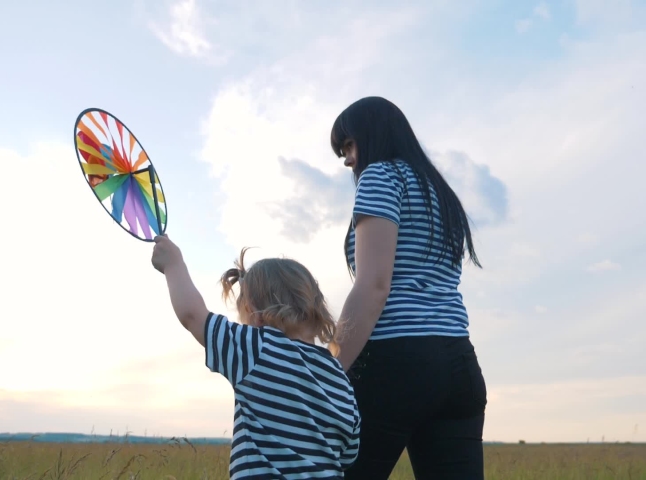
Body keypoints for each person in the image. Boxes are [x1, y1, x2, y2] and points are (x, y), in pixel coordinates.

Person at [330, 96, 488, 480]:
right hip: (459, 365)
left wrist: (330, 369)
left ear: (374, 134)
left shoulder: (381, 177)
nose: (348, 159)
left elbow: (374, 286)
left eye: (349, 145)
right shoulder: (440, 192)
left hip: (396, 360)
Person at [151, 237, 361, 479]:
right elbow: (348, 454)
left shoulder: (257, 348)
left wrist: (173, 264)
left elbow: (192, 315)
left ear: (256, 316)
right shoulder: (339, 376)